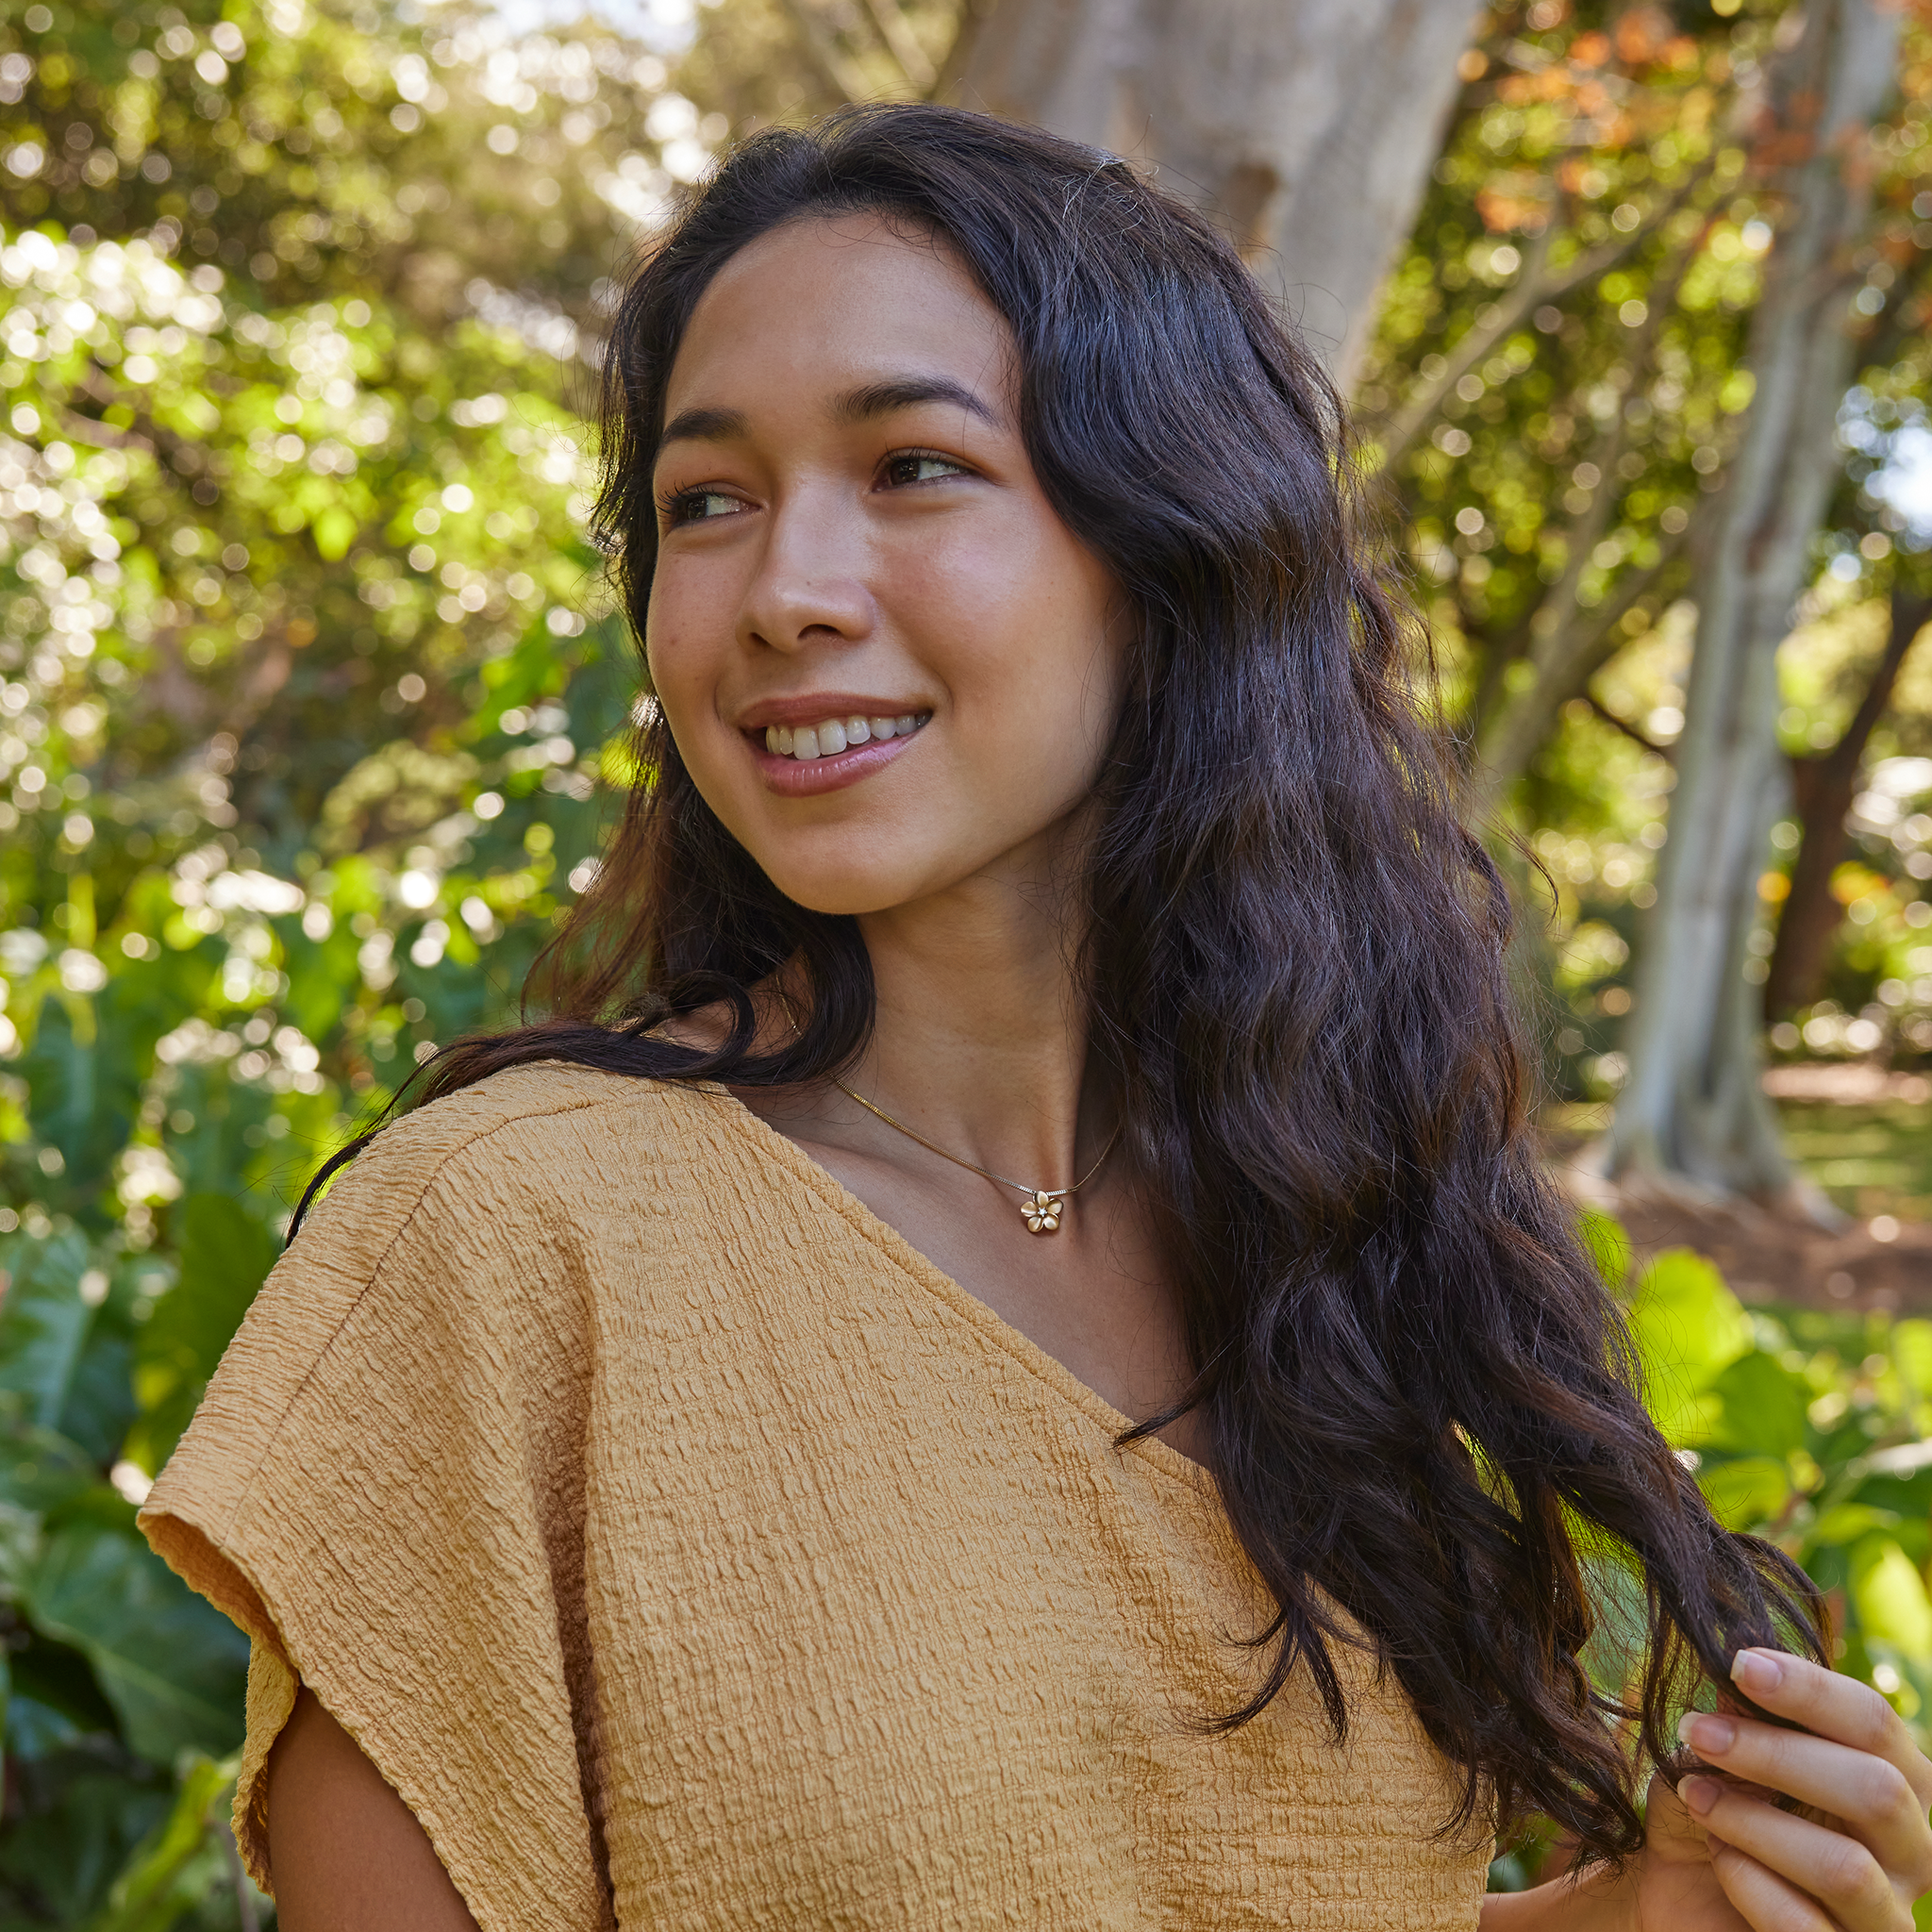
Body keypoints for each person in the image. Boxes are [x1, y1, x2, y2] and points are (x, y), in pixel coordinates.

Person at [141, 103, 1932, 1932]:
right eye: (708, 500)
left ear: (1164, 550)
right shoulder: (509, 1243)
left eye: (910, 467)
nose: (785, 593)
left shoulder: (1326, 1242)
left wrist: (1638, 1918)